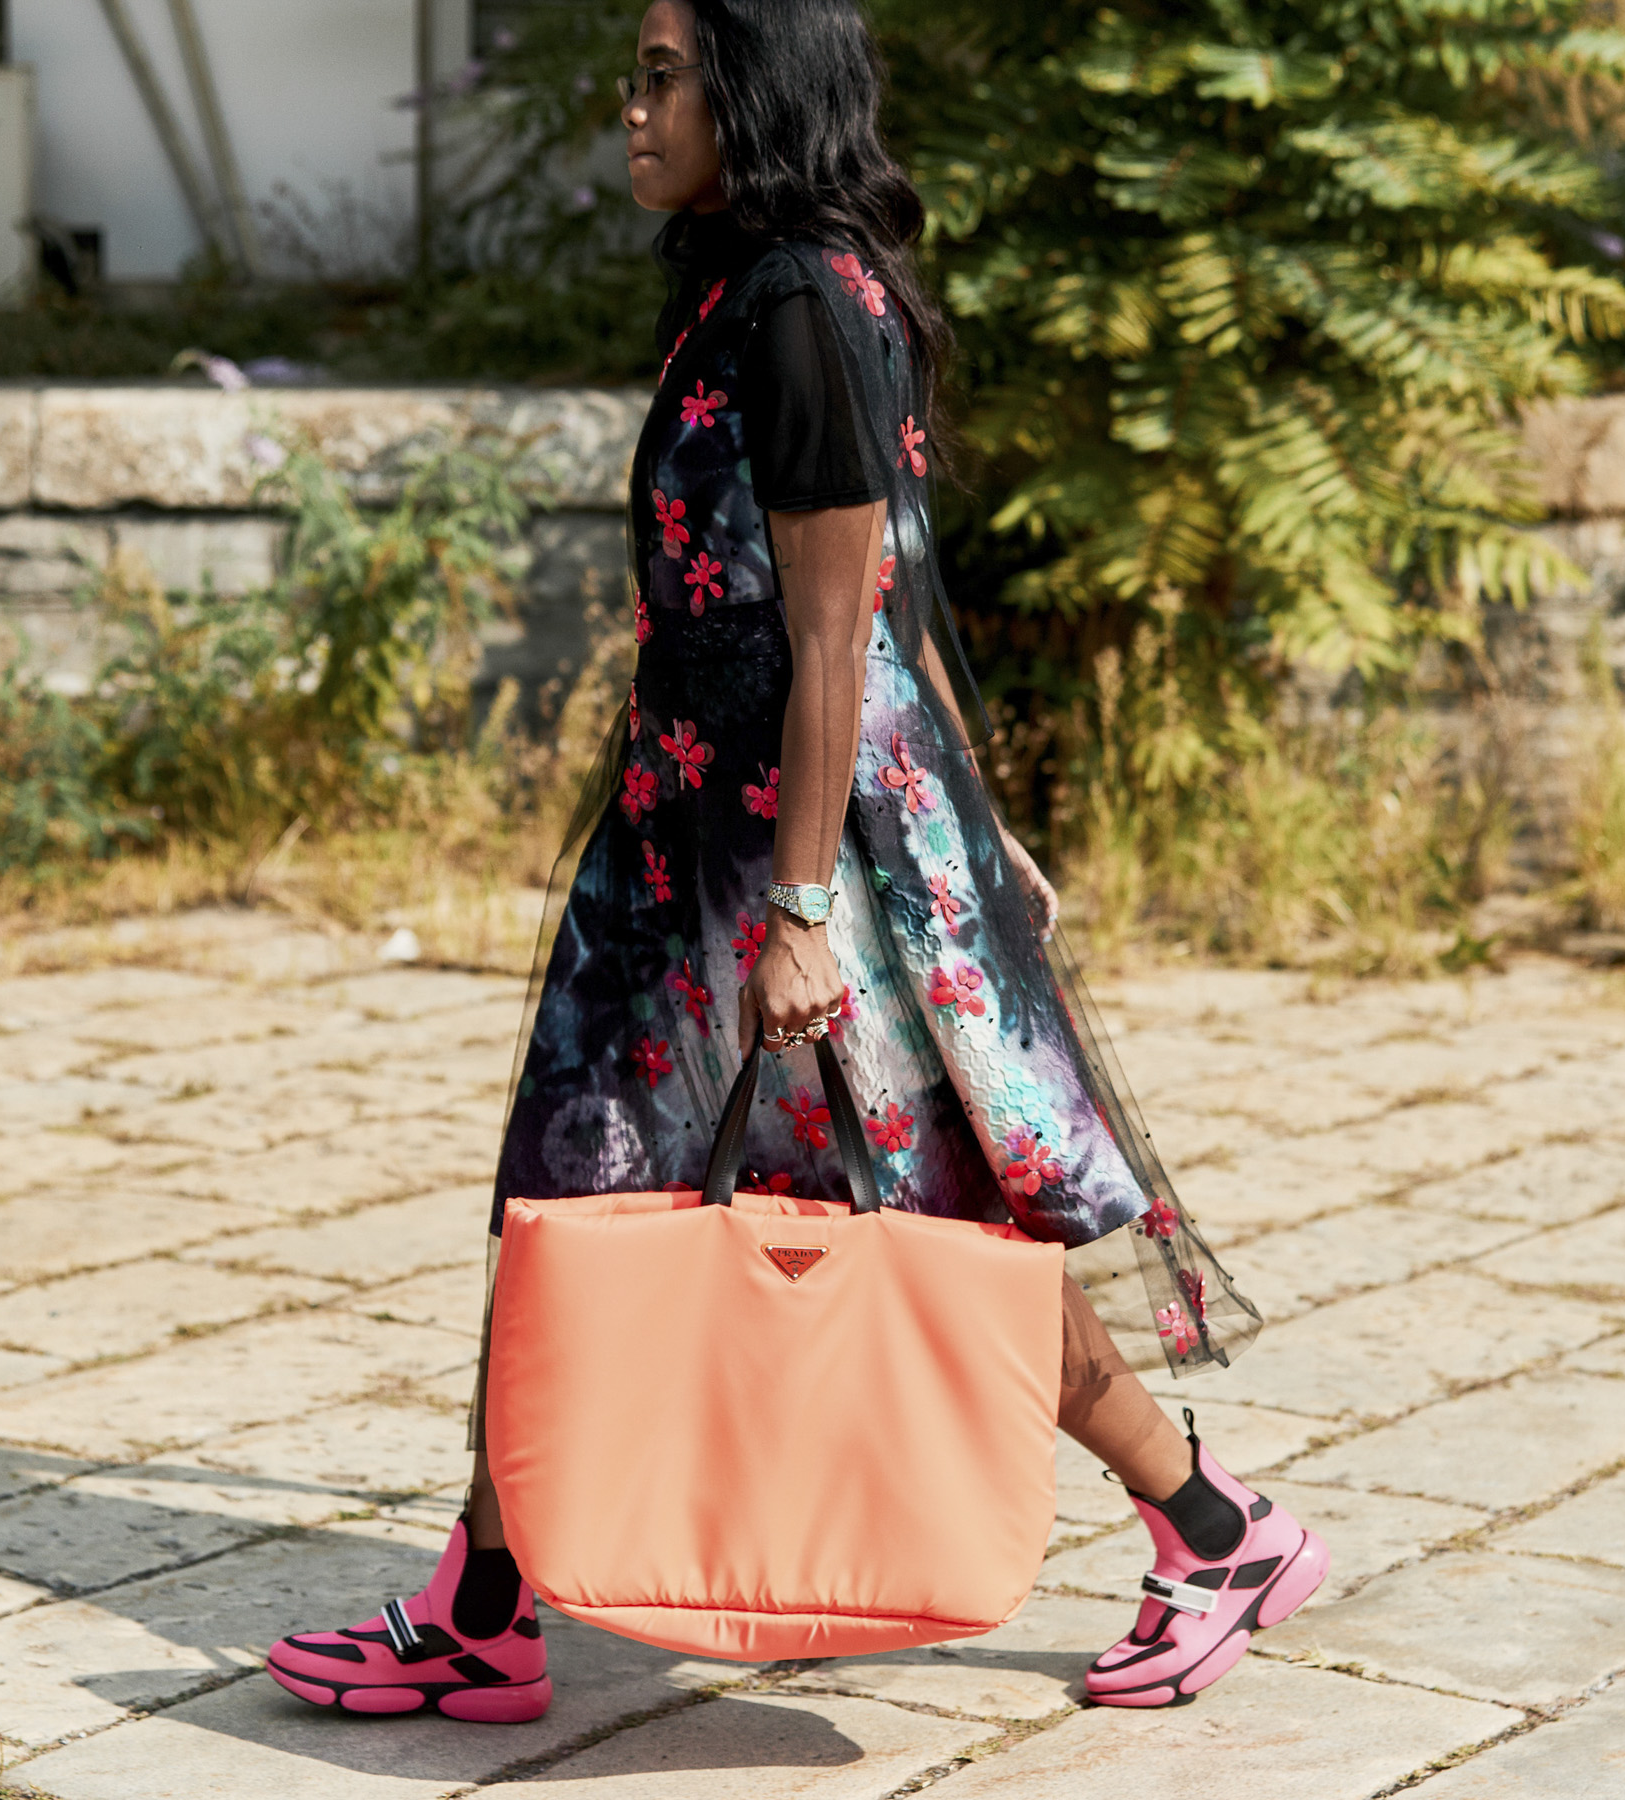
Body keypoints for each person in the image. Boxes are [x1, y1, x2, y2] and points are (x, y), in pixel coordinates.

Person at [267, 0, 1325, 1720]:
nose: (629, 110)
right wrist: (971, 807)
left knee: (928, 1229)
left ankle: (1217, 1530)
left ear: (753, 89)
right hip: (691, 843)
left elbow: (840, 630)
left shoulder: (805, 310)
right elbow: (886, 591)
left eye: (660, 78)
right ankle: (485, 1601)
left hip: (792, 860)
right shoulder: (740, 286)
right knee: (573, 1198)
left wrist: (812, 912)